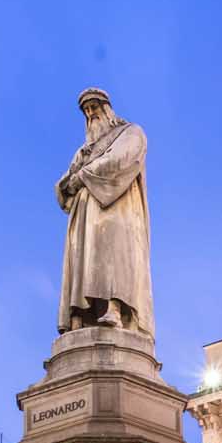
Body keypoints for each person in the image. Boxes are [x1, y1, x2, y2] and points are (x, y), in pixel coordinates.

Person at [55, 89, 153, 337]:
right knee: (84, 262)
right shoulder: (83, 151)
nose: (90, 114)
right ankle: (80, 314)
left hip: (117, 211)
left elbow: (121, 160)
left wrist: (82, 177)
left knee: (114, 258)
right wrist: (69, 182)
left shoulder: (130, 133)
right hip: (84, 218)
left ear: (107, 108)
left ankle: (115, 308)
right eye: (86, 112)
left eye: (94, 108)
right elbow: (65, 182)